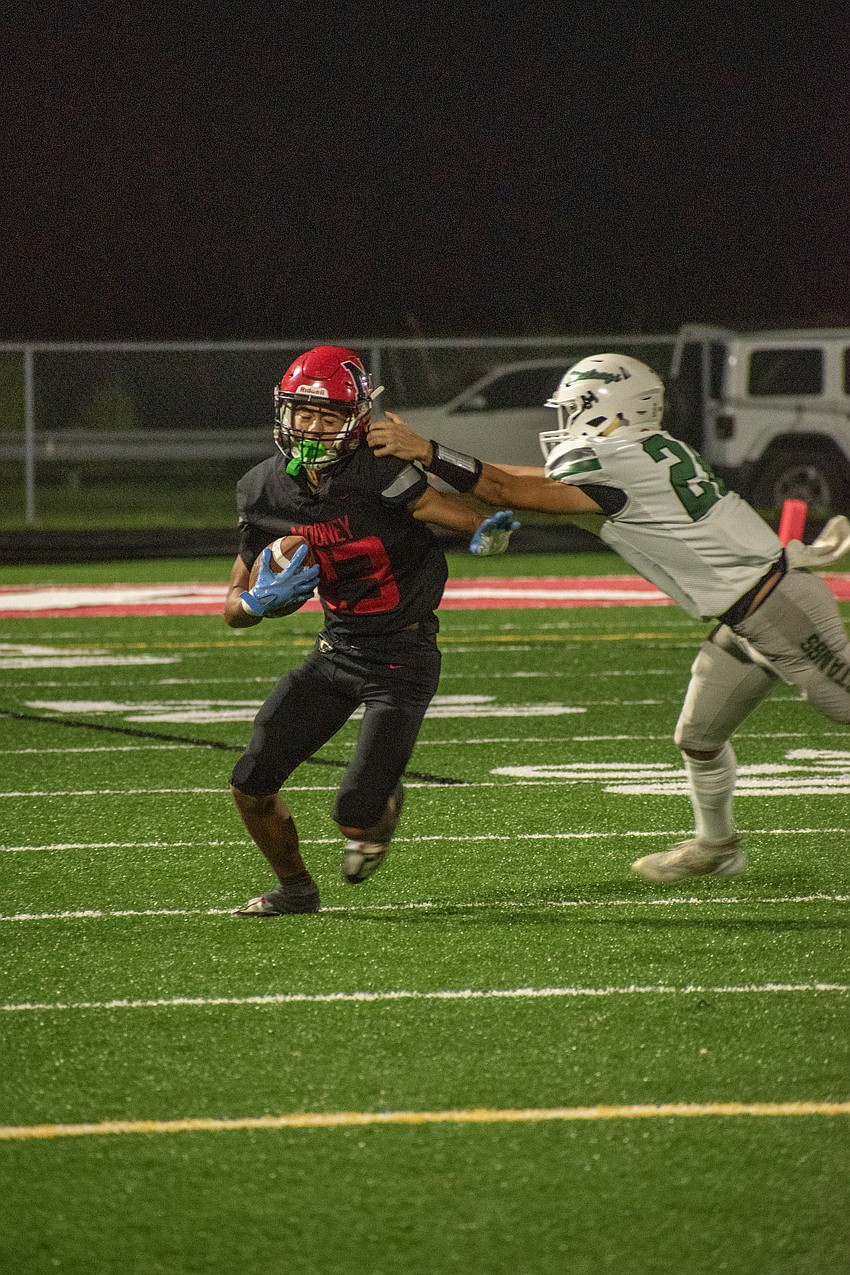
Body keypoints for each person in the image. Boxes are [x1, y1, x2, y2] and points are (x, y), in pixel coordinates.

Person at [368, 353, 850, 884]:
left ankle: (717, 845)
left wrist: (429, 454)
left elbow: (509, 489)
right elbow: (524, 485)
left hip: (778, 610)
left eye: (573, 408)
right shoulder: (640, 452)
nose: (564, 421)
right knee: (699, 735)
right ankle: (717, 847)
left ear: (605, 408)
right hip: (747, 614)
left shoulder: (615, 463)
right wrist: (435, 476)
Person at [224, 345, 516, 916]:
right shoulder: (263, 490)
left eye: (328, 418)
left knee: (354, 813)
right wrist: (257, 603)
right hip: (335, 651)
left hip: (402, 658)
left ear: (354, 421)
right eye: (303, 414)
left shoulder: (379, 472)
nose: (311, 428)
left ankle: (377, 809)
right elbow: (231, 606)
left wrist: (489, 534)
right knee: (250, 784)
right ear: (283, 412)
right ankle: (296, 890)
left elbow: (461, 516)